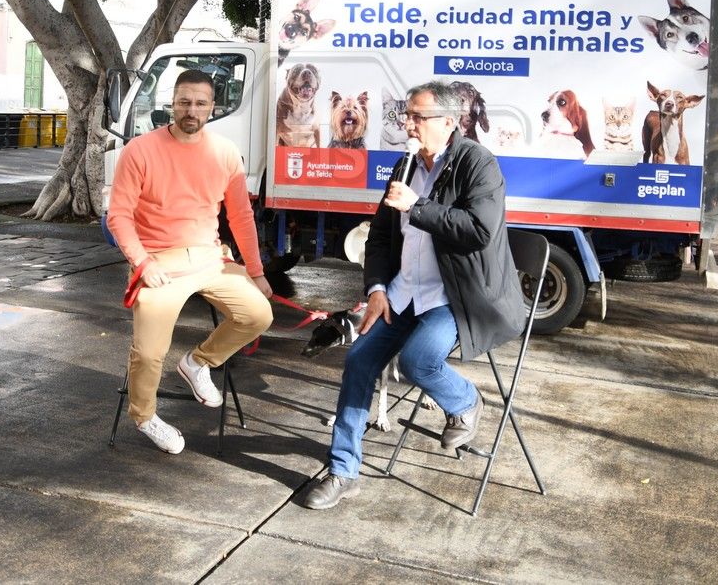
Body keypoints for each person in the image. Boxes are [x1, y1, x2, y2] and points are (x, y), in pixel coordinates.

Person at [303, 80, 528, 509]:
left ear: (449, 122)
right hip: (403, 292)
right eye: (406, 115)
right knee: (358, 361)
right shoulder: (405, 165)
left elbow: (479, 230)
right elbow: (379, 238)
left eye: (418, 117)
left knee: (417, 360)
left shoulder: (477, 163)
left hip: (455, 296)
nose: (408, 124)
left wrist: (417, 206)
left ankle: (466, 401)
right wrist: (376, 289)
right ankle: (343, 471)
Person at [106, 69, 274, 454]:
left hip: (209, 258)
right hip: (158, 262)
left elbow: (241, 217)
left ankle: (198, 363)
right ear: (172, 104)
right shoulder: (140, 150)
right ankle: (144, 416)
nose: (191, 110)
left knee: (258, 315)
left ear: (212, 107)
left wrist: (256, 271)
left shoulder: (225, 153)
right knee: (149, 352)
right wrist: (143, 263)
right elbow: (119, 216)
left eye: (200, 103)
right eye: (184, 102)